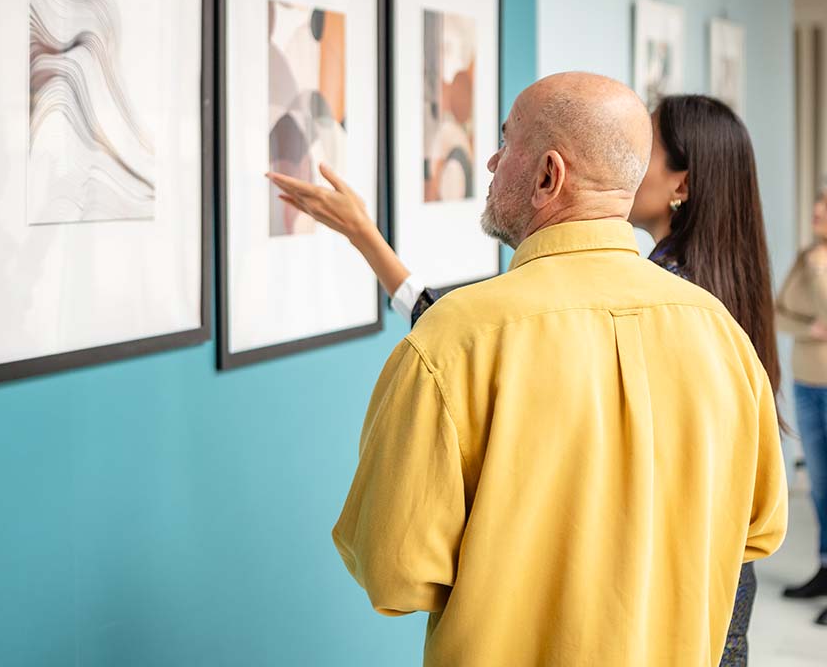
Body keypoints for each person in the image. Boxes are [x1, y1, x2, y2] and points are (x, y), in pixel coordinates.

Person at [283, 72, 788, 666]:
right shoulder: (722, 332)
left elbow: (393, 573)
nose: (493, 161)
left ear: (549, 174)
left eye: (505, 141)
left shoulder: (452, 341)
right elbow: (759, 530)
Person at [776, 188, 827, 627]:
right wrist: (811, 329)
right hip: (807, 383)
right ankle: (825, 570)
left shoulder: (816, 266)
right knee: (820, 487)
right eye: (815, 208)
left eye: (824, 208)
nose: (817, 214)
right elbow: (779, 314)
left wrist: (817, 278)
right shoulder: (807, 257)